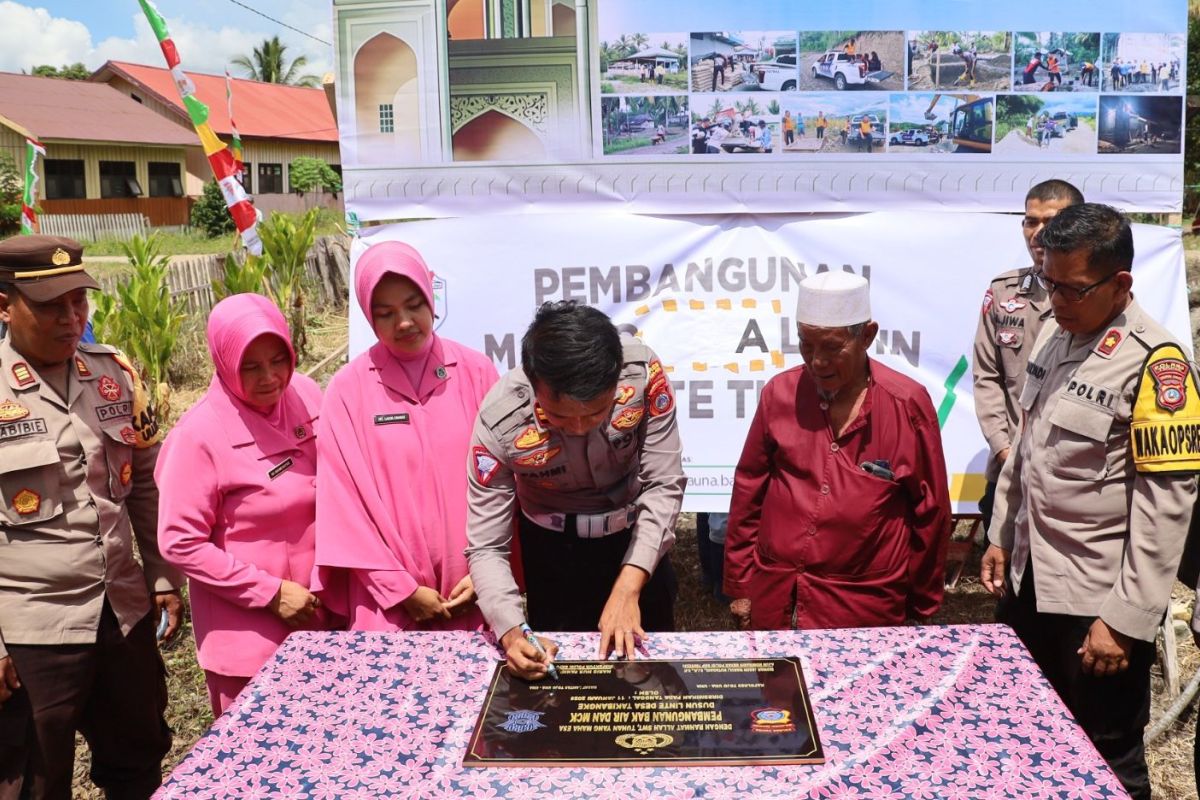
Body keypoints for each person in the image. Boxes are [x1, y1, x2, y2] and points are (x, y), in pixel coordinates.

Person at [981, 204, 1200, 800]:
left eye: (1073, 289)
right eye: (1049, 283)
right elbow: (1026, 448)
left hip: (1094, 606)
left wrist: (1125, 622)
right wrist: (1002, 533)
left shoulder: (1158, 365)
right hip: (1031, 586)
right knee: (1022, 739)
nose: (1056, 300)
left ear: (1120, 283)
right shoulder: (1055, 332)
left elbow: (1165, 510)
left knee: (1106, 758)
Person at [0, 235, 184, 798]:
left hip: (123, 611)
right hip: (32, 626)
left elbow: (147, 484)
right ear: (4, 305)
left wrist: (161, 576)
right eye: (51, 306)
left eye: (79, 301)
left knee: (137, 762)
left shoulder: (115, 374)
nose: (71, 318)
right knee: (31, 782)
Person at [466, 302, 685, 679]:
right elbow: (486, 545)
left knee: (655, 687)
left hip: (638, 545)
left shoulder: (642, 373)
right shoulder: (500, 420)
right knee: (565, 693)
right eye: (562, 416)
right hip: (555, 557)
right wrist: (512, 631)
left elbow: (664, 483)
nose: (581, 427)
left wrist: (630, 584)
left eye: (597, 412)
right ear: (535, 387)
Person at [725, 272, 951, 630]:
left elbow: (931, 510)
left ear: (867, 336)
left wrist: (922, 602)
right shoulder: (780, 395)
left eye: (832, 347)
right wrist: (741, 584)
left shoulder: (907, 404)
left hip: (863, 606)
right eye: (806, 345)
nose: (817, 361)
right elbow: (749, 488)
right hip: (777, 594)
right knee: (776, 686)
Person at [156, 294, 329, 718]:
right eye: (250, 366)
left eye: (279, 360)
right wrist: (269, 593)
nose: (270, 377)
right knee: (263, 769)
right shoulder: (198, 436)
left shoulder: (305, 394)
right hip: (251, 639)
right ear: (223, 361)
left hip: (323, 618)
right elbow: (179, 542)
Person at [313, 241, 498, 632]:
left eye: (414, 305)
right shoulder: (348, 391)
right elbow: (342, 505)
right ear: (368, 316)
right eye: (386, 313)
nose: (404, 322)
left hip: (470, 592)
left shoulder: (477, 373)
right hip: (387, 604)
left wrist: (487, 572)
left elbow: (504, 482)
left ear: (431, 298)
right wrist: (398, 589)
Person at [972, 180, 1083, 534]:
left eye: (1050, 221)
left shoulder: (1100, 294)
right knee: (1007, 581)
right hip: (1009, 470)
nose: (1038, 232)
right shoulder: (1003, 292)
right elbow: (986, 376)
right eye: (1030, 221)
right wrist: (1005, 449)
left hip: (1075, 476)